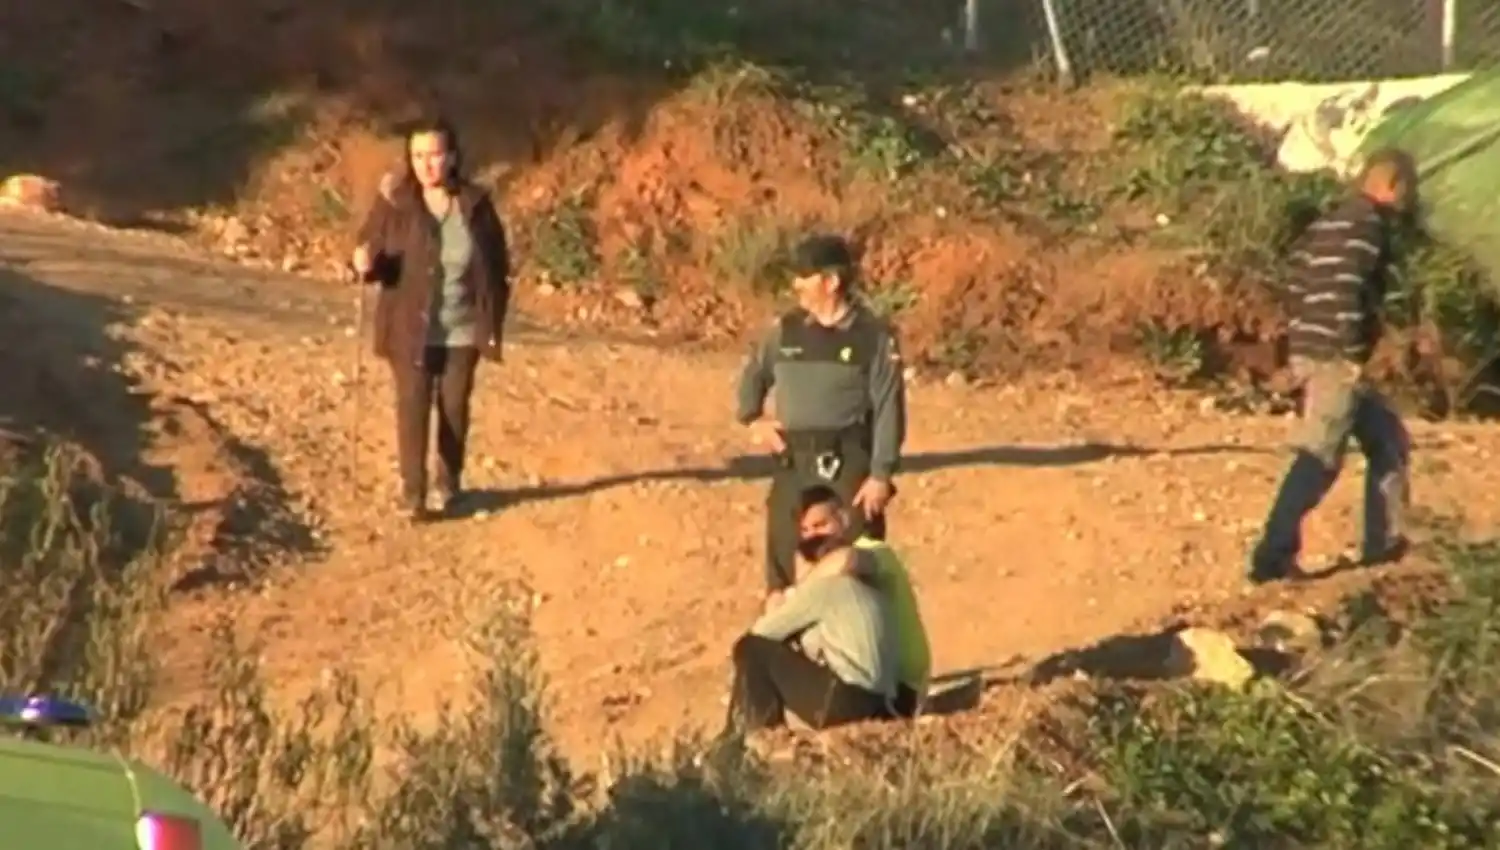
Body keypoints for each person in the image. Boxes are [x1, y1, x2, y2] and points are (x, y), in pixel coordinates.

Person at [1247, 147, 1420, 584]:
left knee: (1388, 442)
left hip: (1314, 348)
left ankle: (1387, 548)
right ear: (1391, 185)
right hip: (1335, 357)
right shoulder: (1368, 227)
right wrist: (1348, 354)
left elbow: (1298, 282)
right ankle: (1272, 558)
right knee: (1319, 456)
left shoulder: (1329, 223)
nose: (1409, 201)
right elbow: (1346, 288)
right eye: (1408, 191)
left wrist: (1300, 345)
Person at [350, 116, 512, 522]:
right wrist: (364, 263)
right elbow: (370, 254)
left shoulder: (476, 205)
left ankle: (449, 483)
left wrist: (491, 317)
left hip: (461, 327)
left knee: (454, 406)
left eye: (435, 155)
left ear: (452, 158)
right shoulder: (395, 202)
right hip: (409, 325)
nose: (427, 164)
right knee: (413, 405)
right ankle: (414, 494)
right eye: (419, 155)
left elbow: (497, 263)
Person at [735, 233, 908, 607]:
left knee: (861, 551)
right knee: (783, 538)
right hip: (794, 456)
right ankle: (779, 625)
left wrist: (881, 473)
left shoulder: (874, 337)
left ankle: (869, 631)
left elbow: (888, 406)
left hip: (849, 456)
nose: (796, 285)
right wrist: (753, 419)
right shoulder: (786, 331)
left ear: (831, 282)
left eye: (805, 276)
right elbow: (753, 376)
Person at [726, 486, 905, 732]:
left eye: (820, 526)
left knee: (752, 649)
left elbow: (758, 636)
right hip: (887, 702)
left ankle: (749, 742)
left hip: (852, 700)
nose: (811, 536)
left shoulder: (835, 580)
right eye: (805, 530)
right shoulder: (868, 583)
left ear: (842, 520)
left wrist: (793, 597)